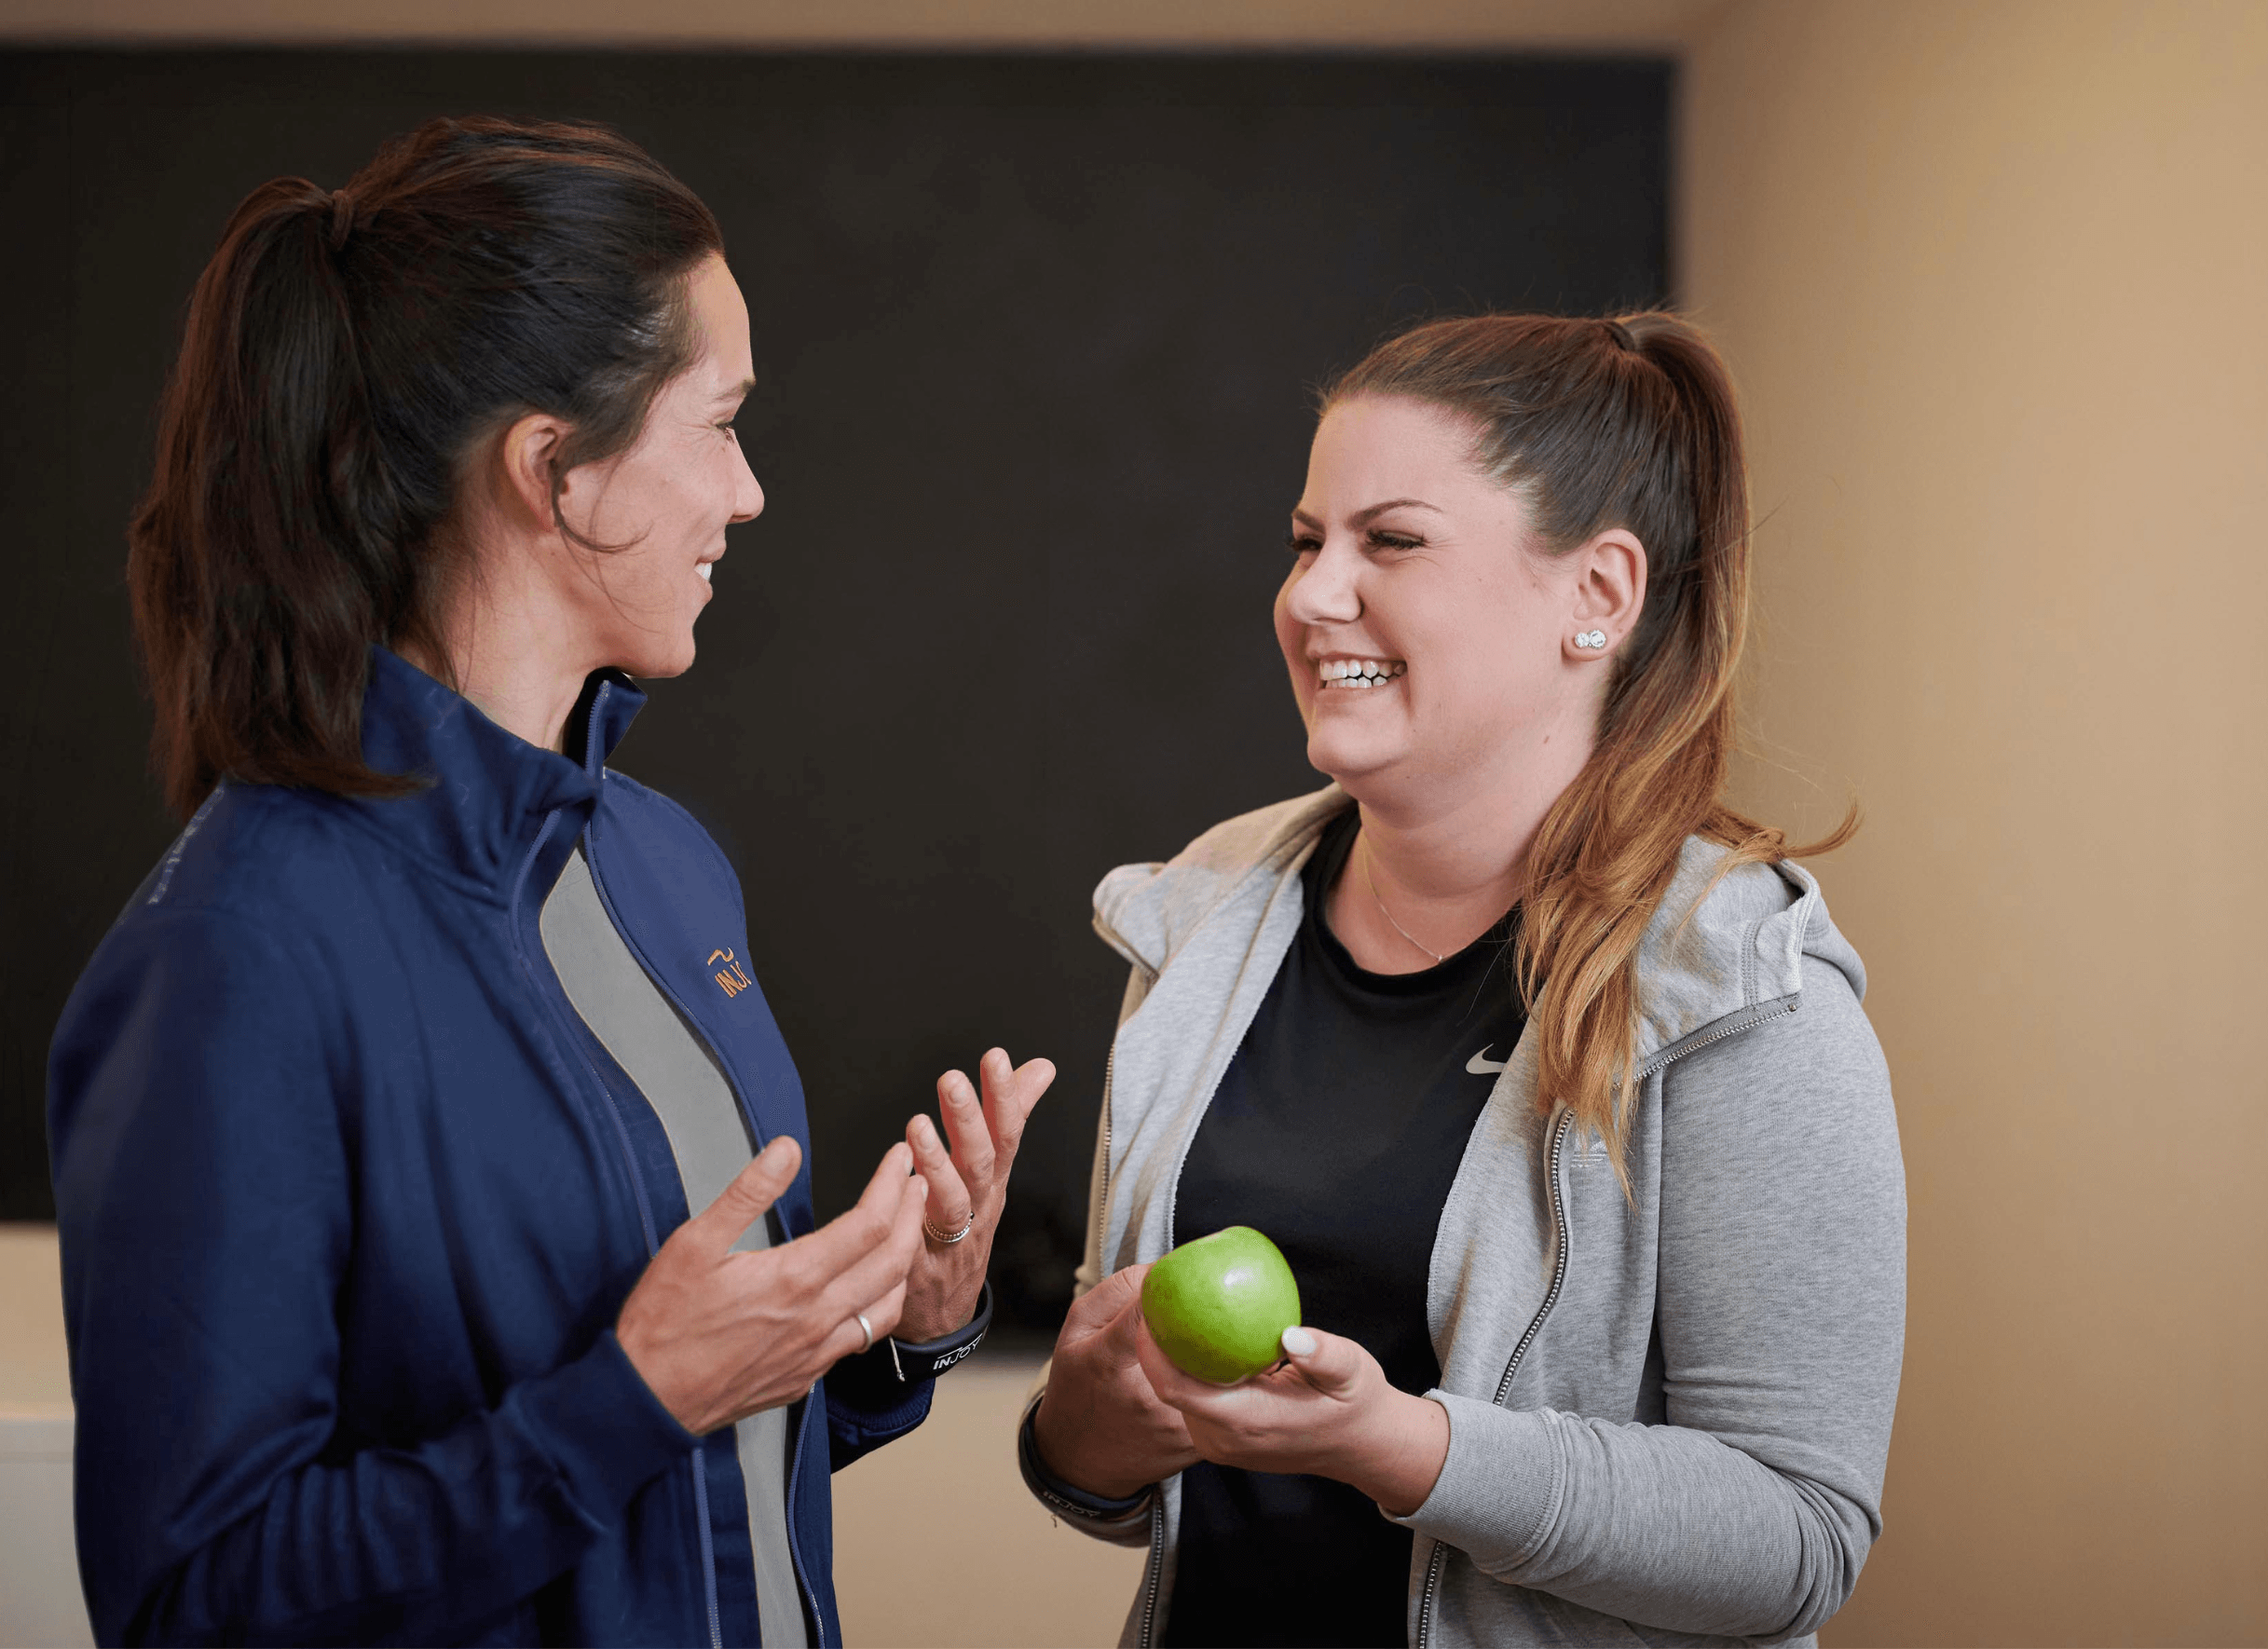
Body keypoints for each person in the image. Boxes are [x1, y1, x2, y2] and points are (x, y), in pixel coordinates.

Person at [47, 116, 1054, 1647]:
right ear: (555, 471)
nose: (749, 493)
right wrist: (632, 1401)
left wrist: (888, 1334)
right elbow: (194, 1607)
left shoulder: (660, 867)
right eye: (720, 424)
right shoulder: (234, 959)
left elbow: (686, 1479)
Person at [1018, 312, 1906, 1646]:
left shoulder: (1741, 991)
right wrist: (1080, 1439)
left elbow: (1796, 1538)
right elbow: (1139, 1491)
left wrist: (1409, 1451)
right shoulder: (1205, 920)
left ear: (1598, 595)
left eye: (1392, 541)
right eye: (1306, 542)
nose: (1313, 596)